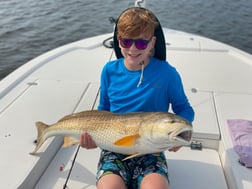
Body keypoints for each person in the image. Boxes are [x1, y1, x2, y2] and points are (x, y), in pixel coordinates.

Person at [80, 7, 194, 189]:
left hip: (152, 150)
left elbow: (184, 109)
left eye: (141, 43)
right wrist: (93, 137)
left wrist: (183, 135)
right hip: (113, 148)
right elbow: (104, 109)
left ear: (152, 43)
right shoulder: (109, 71)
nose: (132, 49)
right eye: (126, 42)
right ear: (118, 41)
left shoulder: (167, 74)